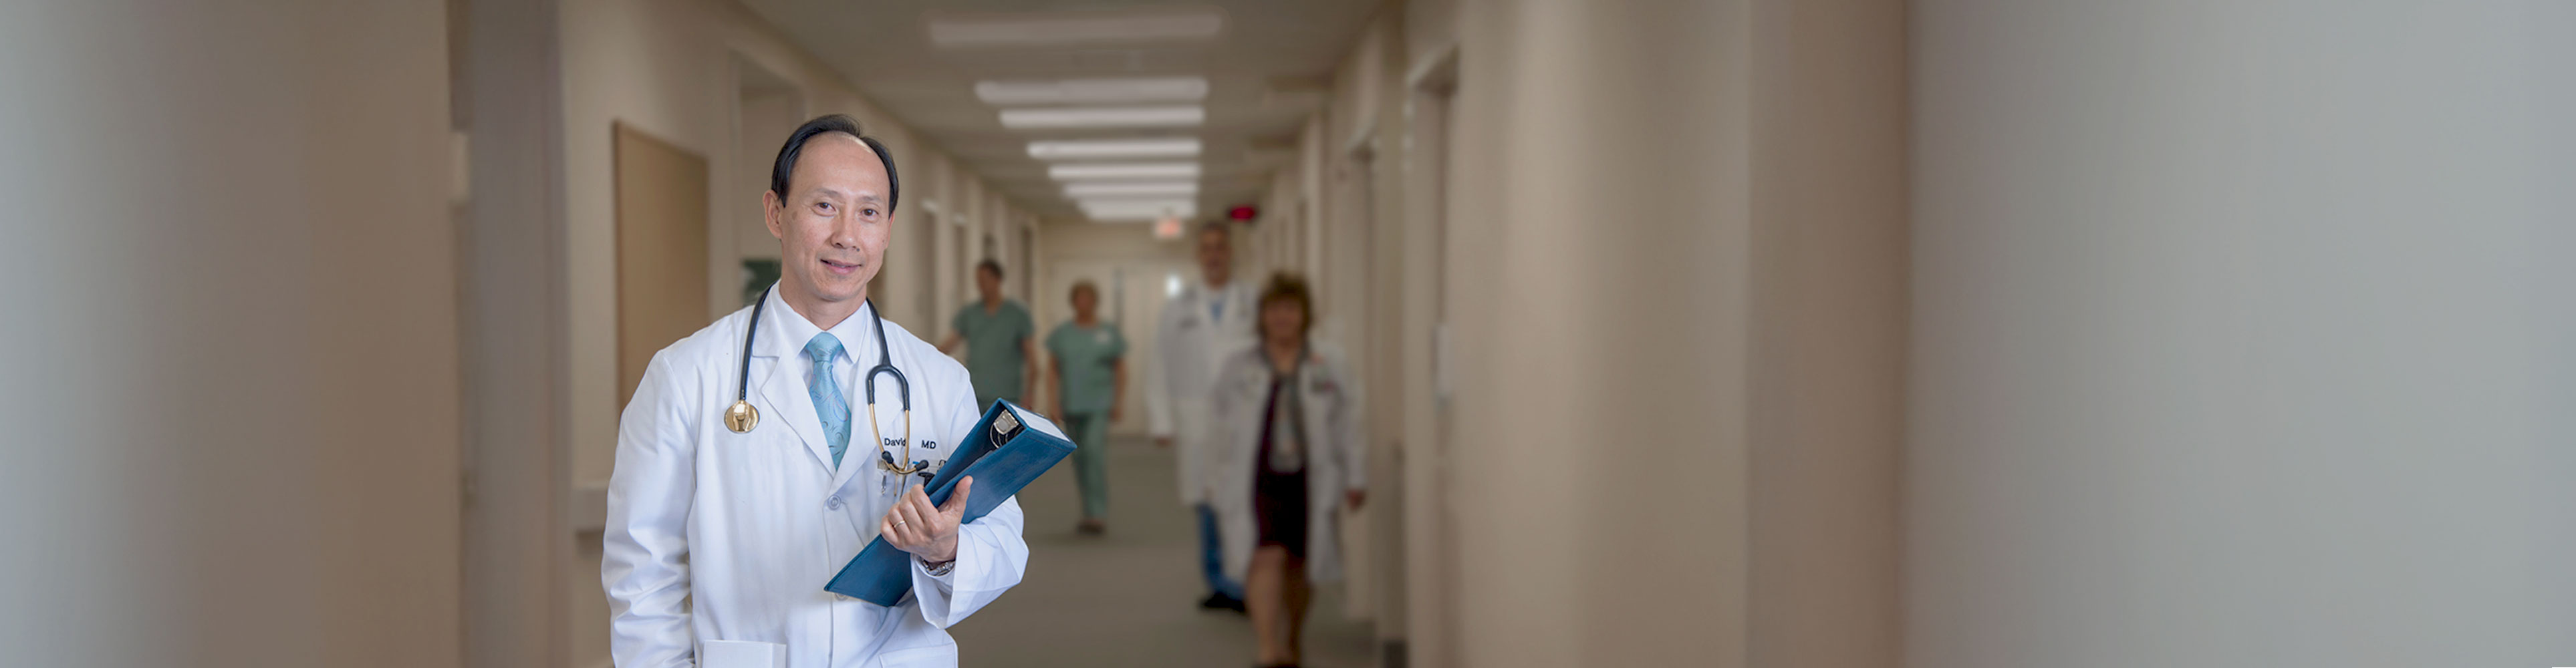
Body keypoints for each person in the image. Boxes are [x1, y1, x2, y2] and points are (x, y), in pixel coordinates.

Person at [602, 114, 1027, 668]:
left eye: (869, 213)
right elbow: (643, 572)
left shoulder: (937, 379)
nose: (847, 236)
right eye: (825, 206)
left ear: (888, 229)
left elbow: (1002, 541)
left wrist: (945, 552)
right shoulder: (687, 374)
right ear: (776, 213)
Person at [1209, 273, 1365, 668]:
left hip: (1309, 480)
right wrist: (1215, 480)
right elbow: (1217, 423)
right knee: (1265, 556)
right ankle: (1267, 648)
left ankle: (1292, 638)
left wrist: (1356, 476)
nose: (1283, 317)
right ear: (1262, 315)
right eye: (1275, 309)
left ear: (1305, 315)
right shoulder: (1239, 362)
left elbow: (1349, 422)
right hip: (1256, 477)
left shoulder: (1329, 361)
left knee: (1299, 562)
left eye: (1291, 309)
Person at [1149, 221, 1257, 612]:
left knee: (1243, 501)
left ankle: (1246, 581)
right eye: (1207, 248)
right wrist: (1161, 418)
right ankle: (1220, 582)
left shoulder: (1253, 301)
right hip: (1196, 418)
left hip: (1247, 419)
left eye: (1220, 248)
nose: (1214, 255)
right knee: (1207, 503)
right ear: (1199, 255)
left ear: (1231, 253)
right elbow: (1160, 363)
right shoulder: (1178, 307)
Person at [1043, 281, 1126, 535]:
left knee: (1094, 453)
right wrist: (1053, 402)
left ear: (1094, 301)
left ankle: (1098, 513)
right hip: (1072, 403)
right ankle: (1087, 512)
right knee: (1079, 458)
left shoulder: (1108, 333)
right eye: (1078, 298)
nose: (1083, 303)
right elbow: (1053, 370)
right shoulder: (1063, 334)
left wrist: (1119, 401)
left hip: (1099, 404)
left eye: (1087, 298)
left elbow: (1120, 369)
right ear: (1073, 302)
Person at [939, 260, 1039, 412]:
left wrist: (1030, 394)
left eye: (985, 280)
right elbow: (947, 345)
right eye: (979, 281)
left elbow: (1031, 359)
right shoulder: (970, 314)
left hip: (1008, 397)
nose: (981, 285)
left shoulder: (1017, 314)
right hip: (976, 394)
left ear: (998, 279)